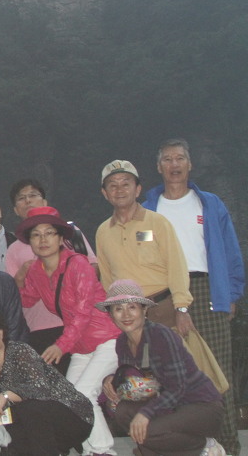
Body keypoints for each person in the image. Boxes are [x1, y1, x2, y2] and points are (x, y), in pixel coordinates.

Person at [143, 138, 245, 455]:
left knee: (218, 372)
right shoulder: (148, 209)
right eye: (168, 159)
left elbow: (230, 250)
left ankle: (227, 446)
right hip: (164, 295)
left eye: (180, 158)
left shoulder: (209, 204)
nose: (174, 165)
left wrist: (231, 293)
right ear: (158, 167)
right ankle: (184, 445)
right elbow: (142, 251)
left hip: (206, 289)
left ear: (190, 165)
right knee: (168, 373)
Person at [13, 205, 118, 456]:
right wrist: (14, 283)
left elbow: (83, 313)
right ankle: (92, 450)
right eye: (36, 235)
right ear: (30, 242)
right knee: (68, 399)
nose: (43, 240)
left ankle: (102, 450)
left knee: (84, 394)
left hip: (106, 339)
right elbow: (26, 299)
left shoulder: (78, 264)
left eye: (49, 233)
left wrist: (61, 345)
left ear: (61, 238)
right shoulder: (36, 271)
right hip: (81, 346)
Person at [97, 280, 224, 456]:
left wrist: (145, 414)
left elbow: (178, 387)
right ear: (111, 315)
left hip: (199, 406)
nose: (126, 315)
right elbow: (134, 380)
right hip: (166, 405)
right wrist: (111, 380)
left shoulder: (161, 335)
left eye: (132, 307)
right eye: (118, 309)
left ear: (144, 310)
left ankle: (204, 446)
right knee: (123, 412)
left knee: (148, 430)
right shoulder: (122, 343)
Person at [0, 307, 93, 456]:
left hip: (75, 416)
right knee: (10, 416)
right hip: (39, 426)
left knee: (28, 408)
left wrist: (6, 395)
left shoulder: (19, 351)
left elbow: (40, 389)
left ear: (0, 332)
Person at [4, 178, 99, 366]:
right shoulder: (13, 250)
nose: (28, 200)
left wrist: (73, 291)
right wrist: (22, 275)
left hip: (79, 322)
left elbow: (93, 268)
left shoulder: (70, 234)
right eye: (21, 198)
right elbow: (19, 297)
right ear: (15, 210)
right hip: (38, 327)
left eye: (33, 195)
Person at [96, 161, 192, 332]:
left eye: (126, 184)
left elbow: (176, 266)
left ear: (137, 189)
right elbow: (107, 279)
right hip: (127, 316)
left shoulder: (157, 222)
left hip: (163, 309)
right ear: (105, 193)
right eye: (113, 185)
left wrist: (182, 308)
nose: (119, 190)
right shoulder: (103, 232)